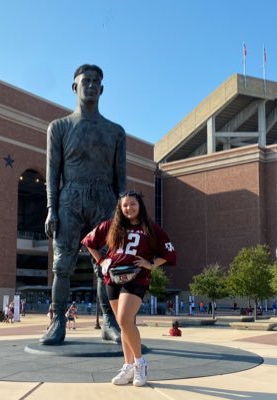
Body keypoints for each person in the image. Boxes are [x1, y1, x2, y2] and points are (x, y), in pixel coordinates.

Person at [40, 64, 126, 345]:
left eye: (95, 81)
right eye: (85, 80)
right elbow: (52, 174)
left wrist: (124, 216)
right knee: (62, 265)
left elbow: (121, 179)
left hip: (104, 200)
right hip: (70, 199)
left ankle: (109, 322)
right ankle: (58, 323)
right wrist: (52, 209)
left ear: (101, 89)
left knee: (106, 267)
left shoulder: (115, 132)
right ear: (74, 87)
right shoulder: (59, 127)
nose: (90, 85)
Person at [81, 190, 176, 386]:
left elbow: (169, 253)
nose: (129, 208)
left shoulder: (151, 228)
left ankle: (140, 363)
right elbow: (88, 241)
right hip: (113, 278)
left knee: (124, 319)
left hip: (136, 278)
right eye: (125, 205)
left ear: (139, 205)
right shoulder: (111, 226)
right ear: (120, 208)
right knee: (124, 324)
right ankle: (128, 366)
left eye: (132, 204)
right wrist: (102, 261)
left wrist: (151, 264)